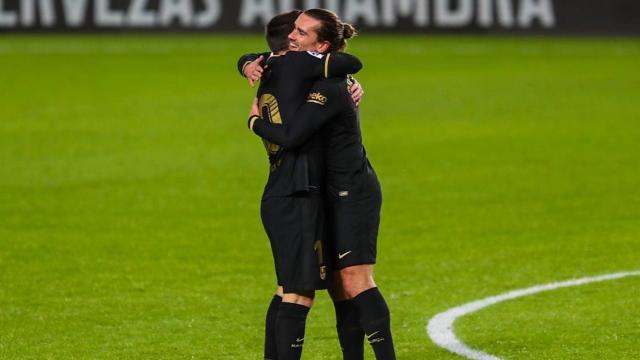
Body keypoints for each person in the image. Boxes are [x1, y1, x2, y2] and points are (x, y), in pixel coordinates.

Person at [246, 9, 396, 360]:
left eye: (301, 33)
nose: (293, 38)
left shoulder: (324, 85)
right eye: (292, 33)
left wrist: (252, 120)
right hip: (315, 193)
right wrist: (252, 61)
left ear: (322, 46)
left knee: (351, 282)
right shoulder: (303, 80)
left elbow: (295, 134)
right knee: (322, 287)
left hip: (350, 192)